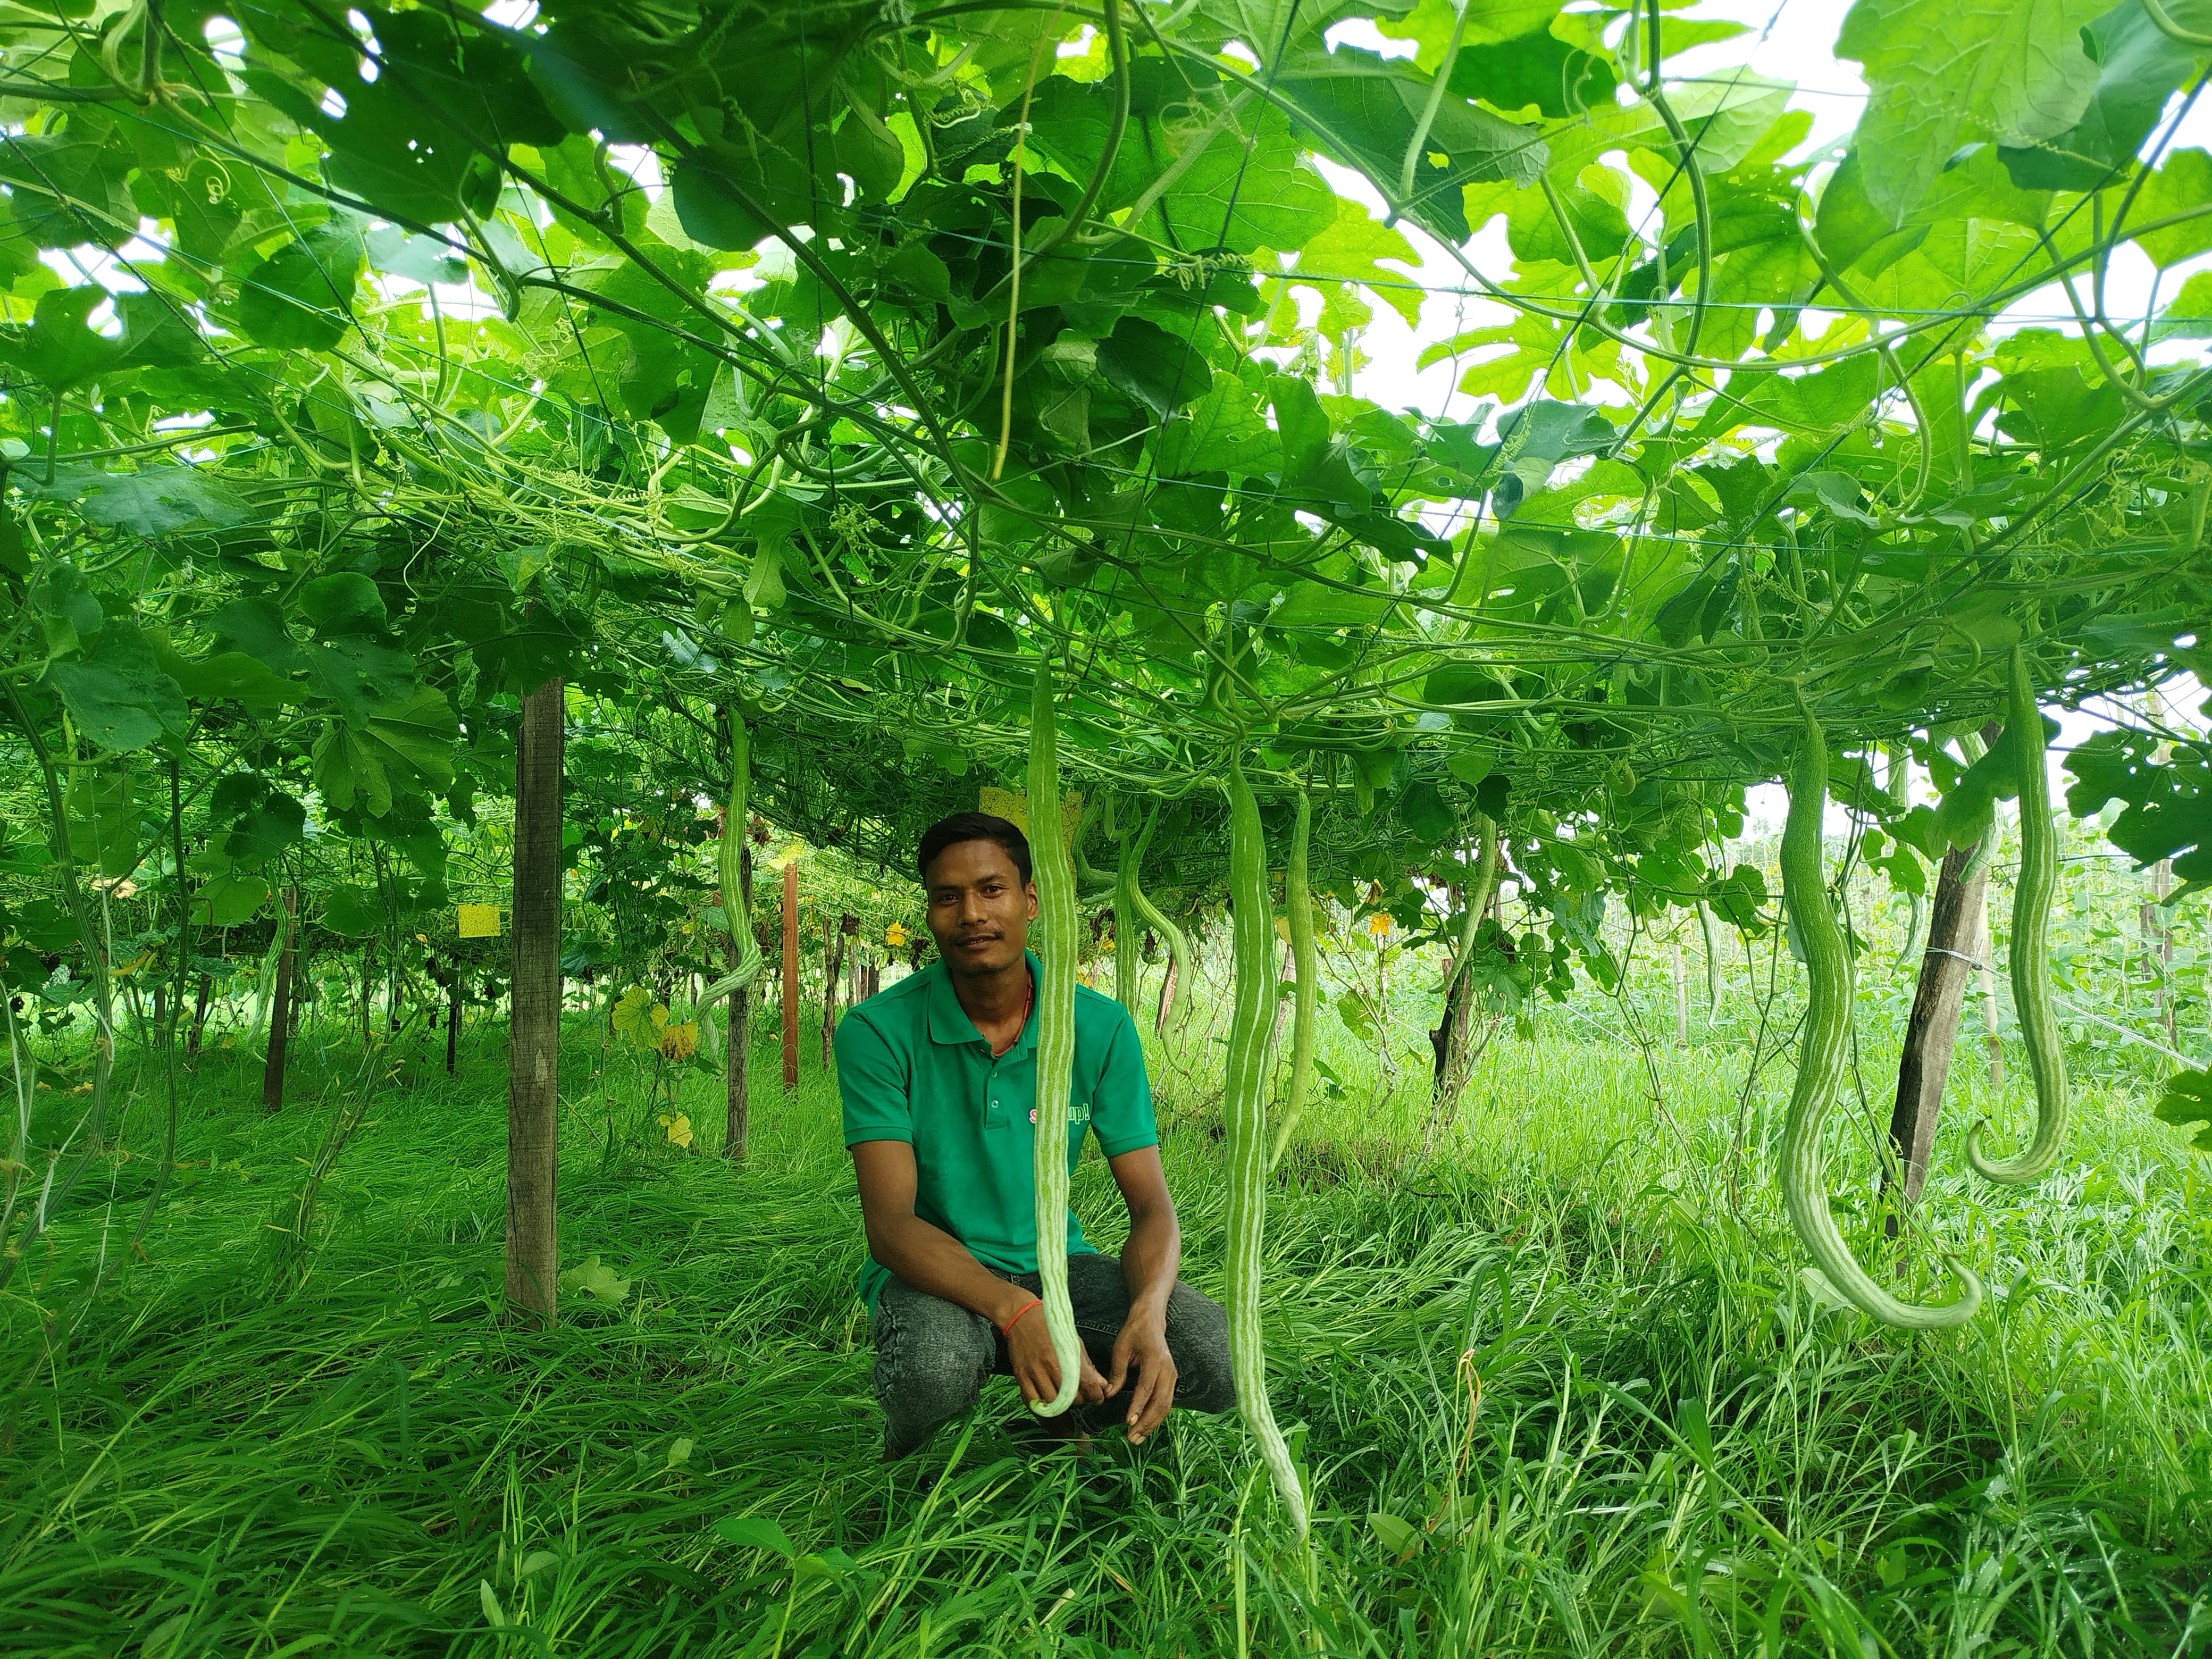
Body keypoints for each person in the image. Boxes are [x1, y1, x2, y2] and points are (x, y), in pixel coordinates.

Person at [835, 811, 1236, 1461]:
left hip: (1058, 1268)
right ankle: (904, 1457)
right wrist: (1019, 1313)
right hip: (939, 1270)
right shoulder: (876, 1032)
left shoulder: (1097, 1028)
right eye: (947, 897)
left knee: (1219, 1356)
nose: (970, 913)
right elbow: (891, 1228)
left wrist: (1148, 1314)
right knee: (932, 1369)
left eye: (991, 890)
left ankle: (1066, 1426)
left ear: (1030, 901)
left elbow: (1151, 1209)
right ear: (931, 913)